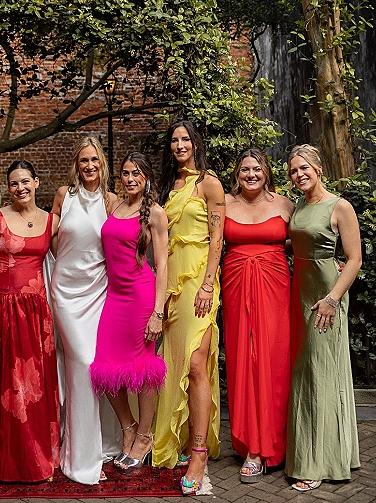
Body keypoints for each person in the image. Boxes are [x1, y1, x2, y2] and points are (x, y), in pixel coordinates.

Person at [0, 160, 60, 482]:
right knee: (7, 387)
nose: (21, 188)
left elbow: (70, 260)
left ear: (37, 182)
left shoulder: (52, 222)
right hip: (2, 310)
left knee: (35, 388)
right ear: (8, 187)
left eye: (26, 181)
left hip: (37, 313)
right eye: (14, 183)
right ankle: (2, 462)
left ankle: (38, 456)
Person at [153, 120, 225, 497]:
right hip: (172, 284)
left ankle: (198, 452)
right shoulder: (169, 188)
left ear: (196, 143)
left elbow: (218, 237)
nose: (179, 145)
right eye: (174, 140)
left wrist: (209, 283)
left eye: (185, 139)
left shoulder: (209, 183)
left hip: (200, 281)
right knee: (176, 361)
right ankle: (178, 440)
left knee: (197, 363)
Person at [286, 144, 362, 492]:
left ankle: (319, 462)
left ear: (318, 168)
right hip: (298, 291)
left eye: (303, 168)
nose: (298, 174)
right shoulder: (300, 205)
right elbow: (296, 243)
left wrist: (332, 298)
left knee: (321, 370)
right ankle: (327, 452)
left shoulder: (340, 206)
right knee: (306, 372)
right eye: (292, 171)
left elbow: (355, 259)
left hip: (325, 297)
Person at [49, 137, 121, 485]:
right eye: (83, 161)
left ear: (102, 164)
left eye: (94, 160)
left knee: (97, 365)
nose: (89, 166)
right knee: (80, 362)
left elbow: (128, 240)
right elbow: (49, 240)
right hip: (65, 291)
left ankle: (103, 445)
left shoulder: (112, 201)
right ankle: (78, 459)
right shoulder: (65, 195)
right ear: (76, 165)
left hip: (99, 292)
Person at [90, 153, 168, 471]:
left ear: (146, 176)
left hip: (141, 297)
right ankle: (128, 426)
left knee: (143, 367)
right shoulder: (115, 206)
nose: (130, 178)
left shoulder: (156, 214)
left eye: (137, 173)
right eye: (125, 173)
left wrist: (157, 313)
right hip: (113, 297)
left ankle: (145, 436)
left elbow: (162, 266)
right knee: (105, 367)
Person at [223, 149, 293, 482]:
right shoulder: (223, 203)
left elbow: (306, 237)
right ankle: (251, 445)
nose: (251, 175)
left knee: (274, 360)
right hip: (236, 283)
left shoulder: (285, 204)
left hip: (275, 285)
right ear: (236, 173)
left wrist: (327, 263)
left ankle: (275, 443)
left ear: (266, 172)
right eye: (245, 170)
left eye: (257, 169)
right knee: (241, 361)